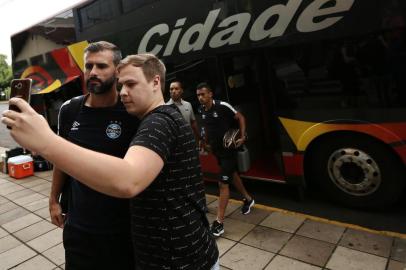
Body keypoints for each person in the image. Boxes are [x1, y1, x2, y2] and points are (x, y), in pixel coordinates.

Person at [3, 53, 219, 270]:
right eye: (121, 84)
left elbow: (128, 180)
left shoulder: (159, 122)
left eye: (131, 84)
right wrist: (55, 198)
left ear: (155, 82)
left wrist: (46, 142)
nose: (124, 92)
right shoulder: (152, 119)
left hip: (184, 261)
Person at [49, 41, 139, 270]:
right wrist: (53, 200)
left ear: (118, 70)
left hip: (124, 230)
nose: (93, 73)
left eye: (101, 66)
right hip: (80, 229)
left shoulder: (133, 110)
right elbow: (62, 158)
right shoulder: (70, 110)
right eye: (88, 66)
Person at [196, 82, 254, 237]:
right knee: (232, 174)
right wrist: (204, 143)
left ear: (210, 94)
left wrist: (242, 136)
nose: (200, 97)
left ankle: (219, 223)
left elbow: (240, 117)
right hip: (217, 151)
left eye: (203, 94)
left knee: (223, 183)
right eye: (198, 95)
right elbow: (206, 127)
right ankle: (248, 199)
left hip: (229, 150)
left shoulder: (222, 106)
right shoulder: (202, 110)